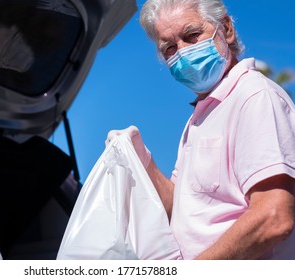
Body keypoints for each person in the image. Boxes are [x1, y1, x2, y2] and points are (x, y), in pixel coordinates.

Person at [106, 0, 295, 259]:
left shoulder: (253, 96)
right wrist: (141, 159)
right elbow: (182, 210)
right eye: (170, 47)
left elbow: (274, 216)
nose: (182, 53)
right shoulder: (200, 117)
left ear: (226, 29)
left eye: (192, 35)